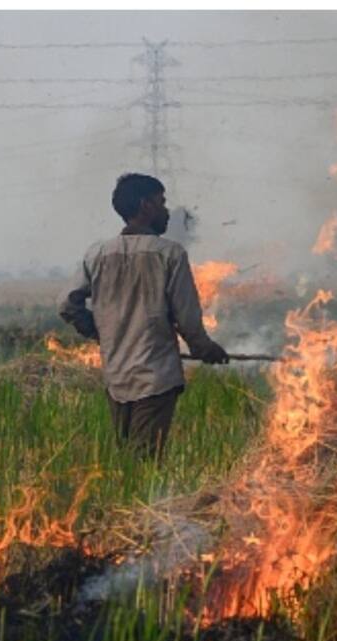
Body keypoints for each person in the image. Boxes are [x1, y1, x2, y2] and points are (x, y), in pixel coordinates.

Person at [58, 173, 231, 460]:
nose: (166, 211)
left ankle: (123, 503)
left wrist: (99, 331)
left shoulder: (97, 254)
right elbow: (187, 318)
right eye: (162, 203)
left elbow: (67, 304)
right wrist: (206, 349)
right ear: (145, 205)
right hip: (155, 378)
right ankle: (137, 506)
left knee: (128, 458)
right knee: (144, 464)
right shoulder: (170, 254)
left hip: (117, 377)